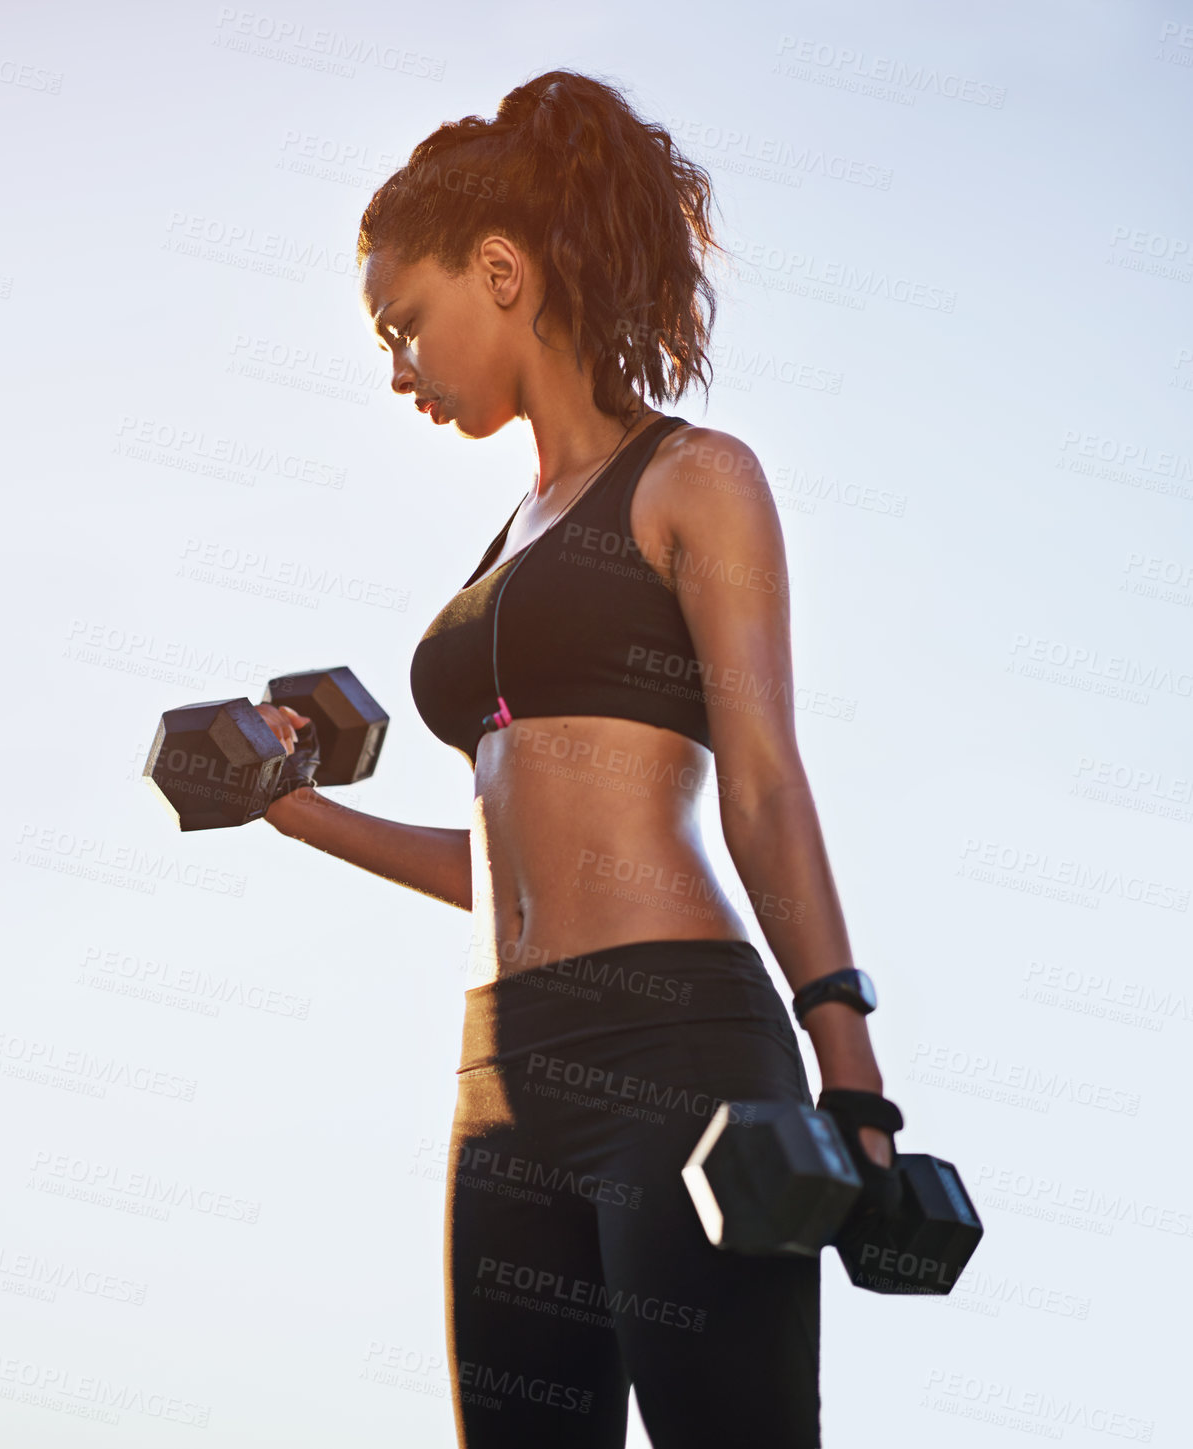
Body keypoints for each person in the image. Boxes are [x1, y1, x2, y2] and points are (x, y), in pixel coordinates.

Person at [261, 68, 898, 1449]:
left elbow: (766, 783)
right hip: (502, 1079)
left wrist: (850, 1073)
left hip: (680, 1045)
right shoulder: (508, 545)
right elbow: (505, 868)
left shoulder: (695, 480)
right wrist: (300, 814)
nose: (398, 367)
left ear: (499, 270)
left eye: (405, 322)